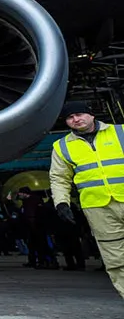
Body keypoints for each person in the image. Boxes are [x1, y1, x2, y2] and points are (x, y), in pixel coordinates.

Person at [49, 99, 124, 299]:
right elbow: (58, 178)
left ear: (91, 115)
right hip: (98, 208)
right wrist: (62, 203)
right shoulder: (62, 146)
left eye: (79, 114)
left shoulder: (121, 132)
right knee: (115, 259)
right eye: (70, 117)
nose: (76, 119)